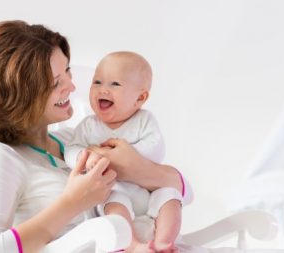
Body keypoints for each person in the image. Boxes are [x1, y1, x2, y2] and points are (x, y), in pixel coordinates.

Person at [0, 20, 189, 253]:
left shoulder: (73, 139)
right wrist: (72, 203)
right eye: (55, 83)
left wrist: (138, 169)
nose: (71, 87)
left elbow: (186, 193)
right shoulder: (0, 157)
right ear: (19, 95)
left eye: (67, 72)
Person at [65, 51, 191, 252]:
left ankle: (164, 242)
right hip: (115, 189)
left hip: (149, 190)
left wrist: (127, 157)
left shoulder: (144, 120)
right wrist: (85, 157)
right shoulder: (88, 125)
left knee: (171, 196)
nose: (103, 89)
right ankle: (131, 245)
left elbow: (156, 147)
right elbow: (71, 149)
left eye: (114, 84)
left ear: (140, 97)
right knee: (113, 201)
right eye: (97, 82)